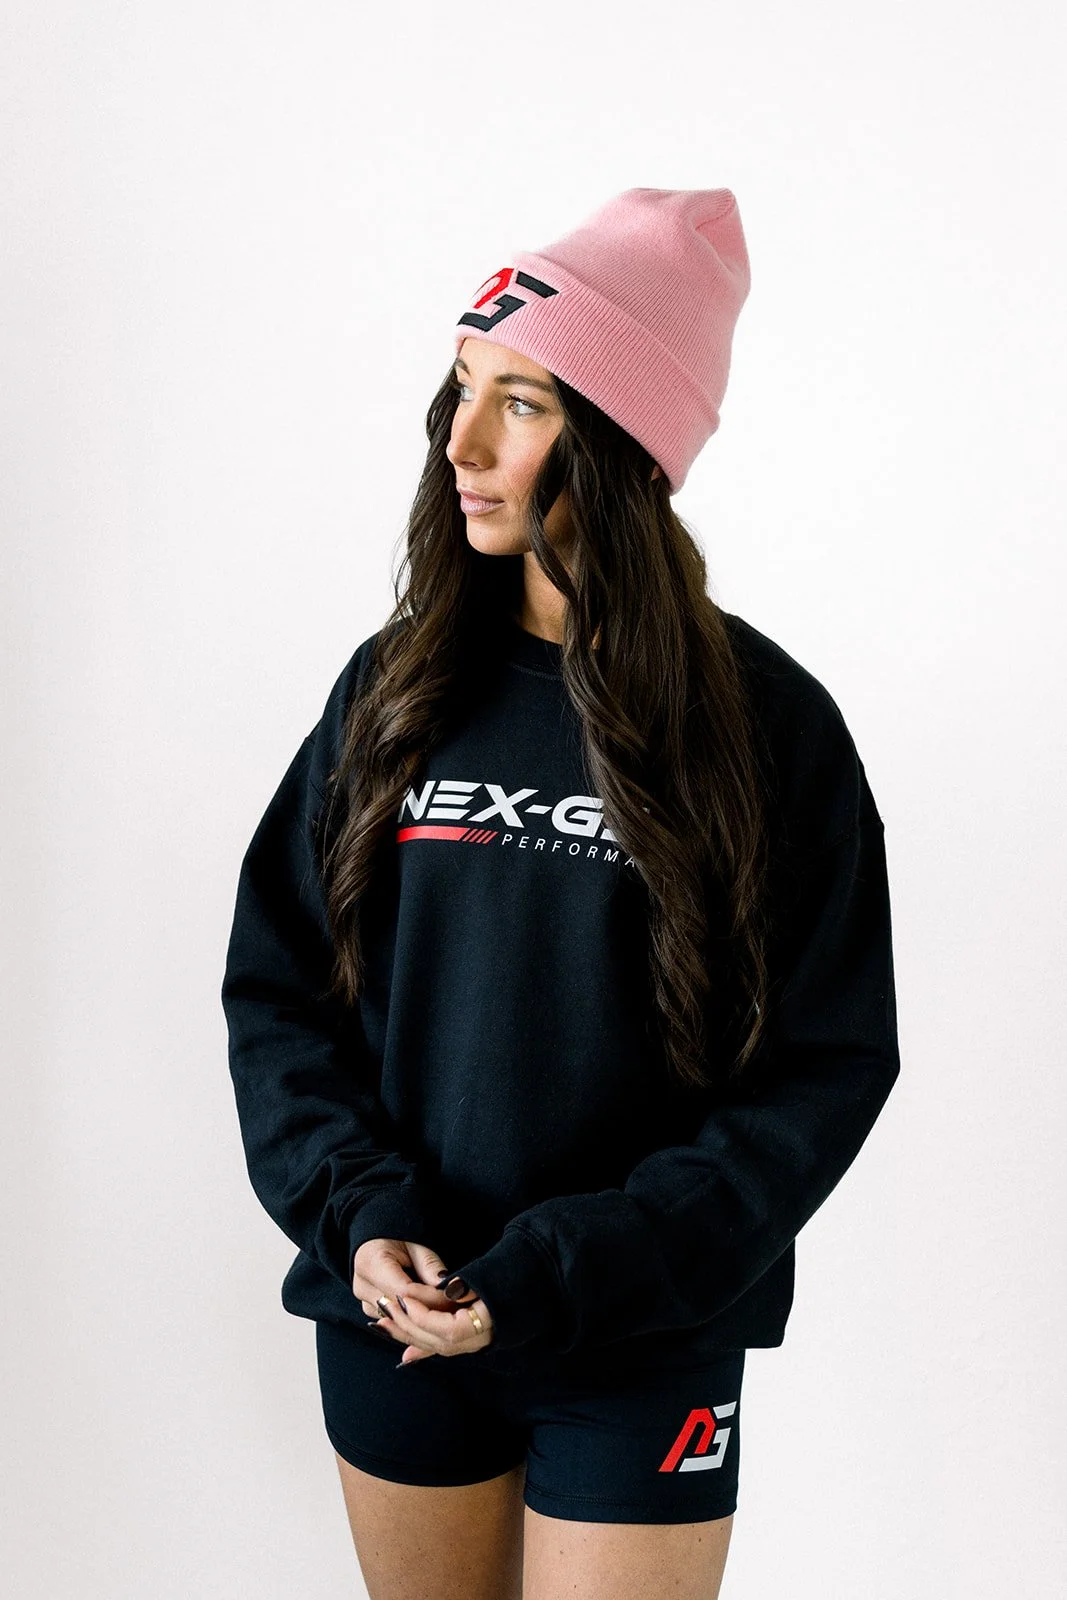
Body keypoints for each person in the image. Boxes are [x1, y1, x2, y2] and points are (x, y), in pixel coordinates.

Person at [220, 187, 900, 1600]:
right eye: (463, 388)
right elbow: (281, 990)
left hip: (638, 1337)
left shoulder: (765, 727)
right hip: (399, 1321)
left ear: (623, 439)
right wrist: (361, 1214)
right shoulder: (395, 692)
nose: (459, 443)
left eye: (521, 403)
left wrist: (564, 1267)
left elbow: (822, 1069)